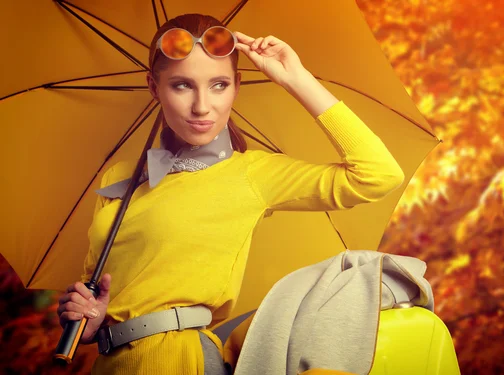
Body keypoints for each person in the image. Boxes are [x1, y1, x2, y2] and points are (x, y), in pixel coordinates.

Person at [56, 13, 405, 375]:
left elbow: (378, 174)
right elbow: (97, 284)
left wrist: (296, 79)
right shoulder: (120, 179)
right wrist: (89, 318)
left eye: (219, 85)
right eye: (181, 86)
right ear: (153, 86)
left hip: (179, 359)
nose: (202, 106)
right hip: (110, 365)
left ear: (236, 86)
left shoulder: (252, 174)